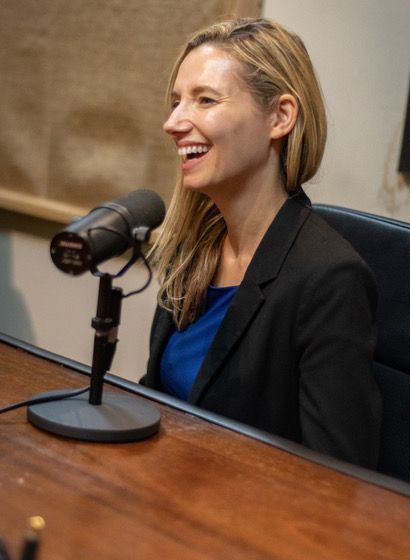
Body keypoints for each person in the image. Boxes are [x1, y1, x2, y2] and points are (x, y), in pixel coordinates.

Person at [141, 17, 382, 469]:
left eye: (205, 100)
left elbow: (339, 478)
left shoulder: (329, 278)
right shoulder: (193, 251)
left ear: (280, 117)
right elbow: (158, 397)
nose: (173, 122)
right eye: (176, 102)